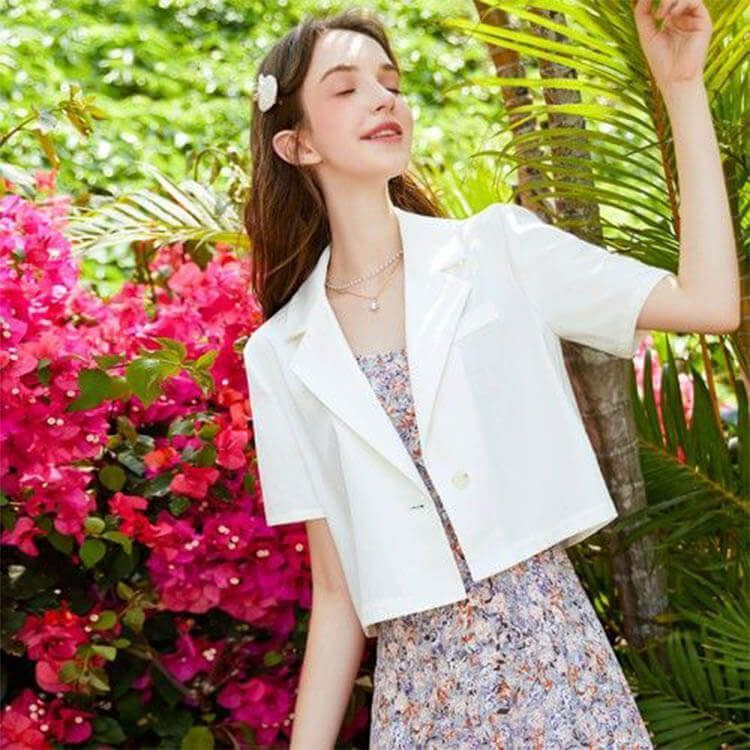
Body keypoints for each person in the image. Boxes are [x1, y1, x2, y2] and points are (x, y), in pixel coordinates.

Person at [242, 2, 738, 747]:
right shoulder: (281, 352)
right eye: (346, 88)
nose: (383, 99)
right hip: (422, 702)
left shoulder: (497, 251)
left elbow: (709, 302)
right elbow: (339, 595)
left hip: (558, 673)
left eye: (390, 83)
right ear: (297, 143)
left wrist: (682, 87)